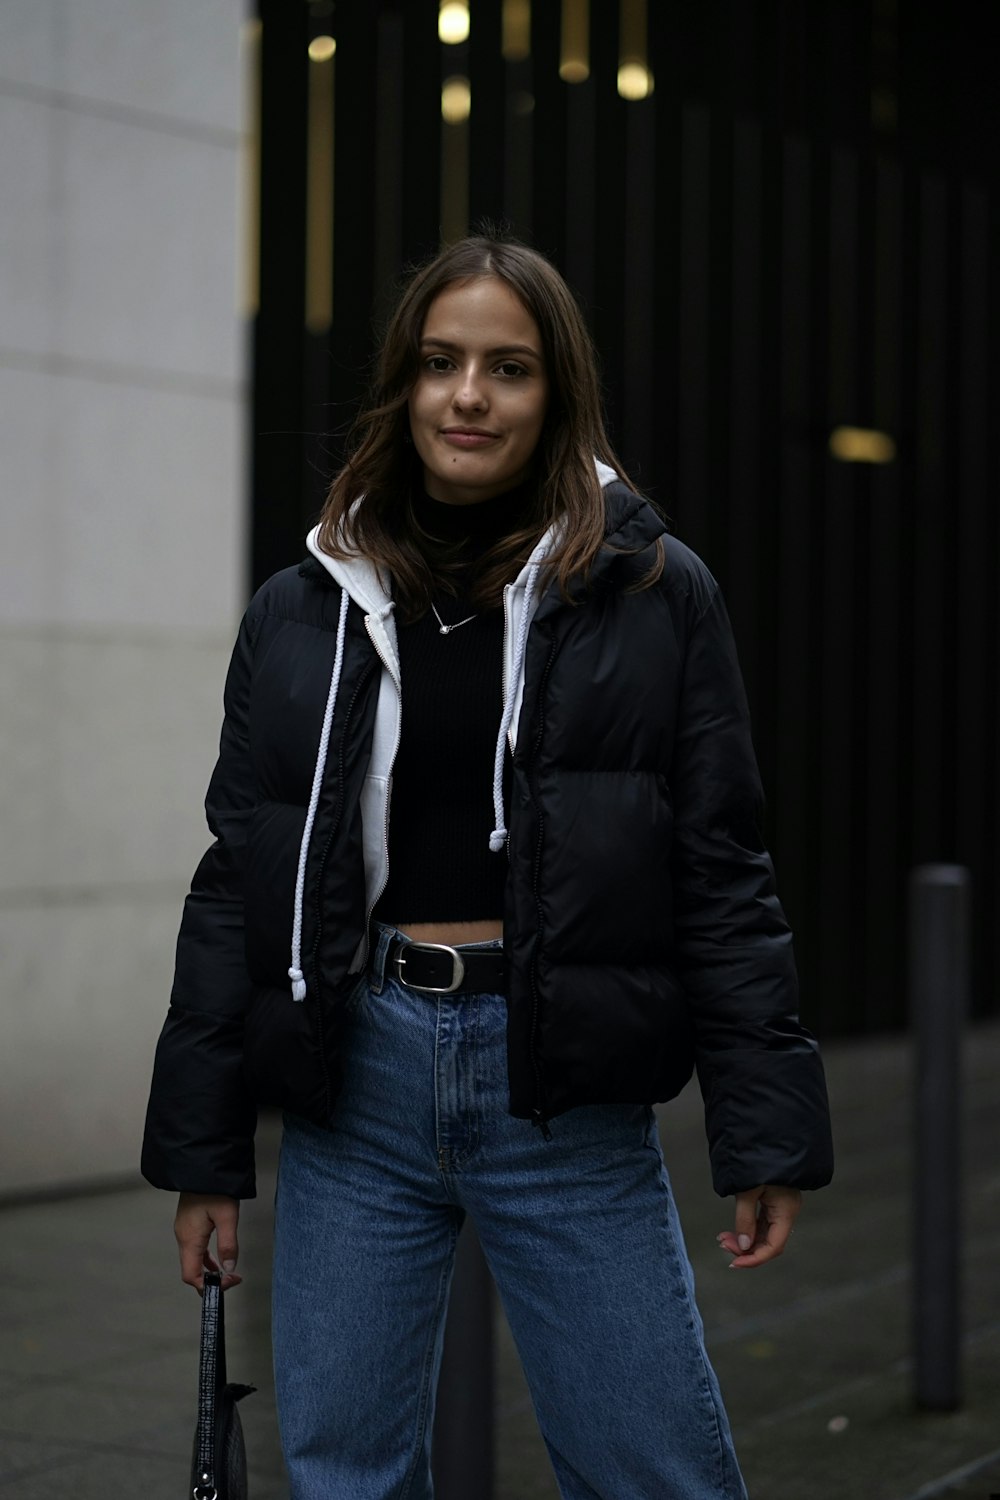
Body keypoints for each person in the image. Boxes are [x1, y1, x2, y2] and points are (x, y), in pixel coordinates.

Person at [143, 233, 833, 1500]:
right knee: (346, 1475)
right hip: (357, 1085)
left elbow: (721, 864)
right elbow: (236, 878)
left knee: (654, 1475)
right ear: (402, 387)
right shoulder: (307, 603)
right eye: (440, 363)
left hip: (560, 1091)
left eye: (508, 368)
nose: (469, 396)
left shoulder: (654, 591)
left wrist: (763, 1127)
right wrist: (203, 1152)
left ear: (554, 393)